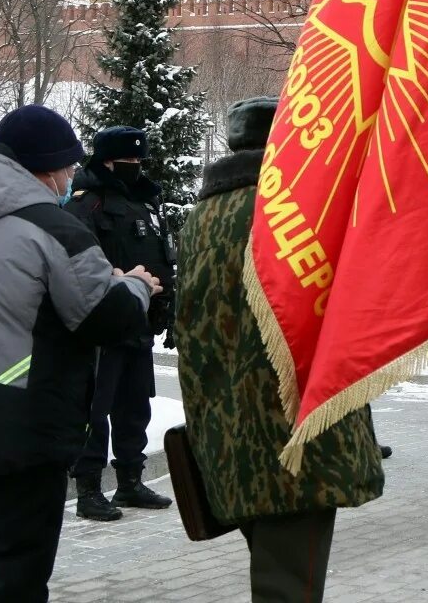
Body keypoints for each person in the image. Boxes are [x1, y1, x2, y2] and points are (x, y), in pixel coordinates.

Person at [0, 106, 157, 602]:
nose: (73, 175)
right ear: (46, 168)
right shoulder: (54, 229)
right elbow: (102, 317)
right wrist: (135, 287)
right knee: (15, 577)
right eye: (68, 166)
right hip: (22, 424)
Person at [176, 97, 383, 602]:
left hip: (228, 430)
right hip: (298, 434)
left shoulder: (202, 218)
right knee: (288, 587)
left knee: (277, 568)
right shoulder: (300, 211)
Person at [65, 125, 177, 521]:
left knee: (134, 405)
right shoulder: (87, 204)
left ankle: (130, 480)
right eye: (126, 161)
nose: (134, 166)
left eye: (138, 160)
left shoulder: (146, 202)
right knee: (96, 407)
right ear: (105, 161)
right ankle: (89, 489)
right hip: (103, 320)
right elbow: (77, 260)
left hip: (140, 321)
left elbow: (160, 253)